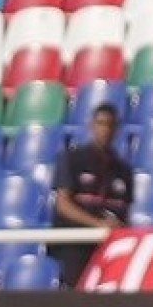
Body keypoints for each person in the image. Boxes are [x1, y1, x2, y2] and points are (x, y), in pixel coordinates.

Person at [48, 103, 132, 289]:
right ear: (92, 126)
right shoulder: (72, 159)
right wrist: (100, 225)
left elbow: (126, 211)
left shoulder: (123, 170)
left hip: (108, 247)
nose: (105, 130)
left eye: (110, 125)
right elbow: (63, 205)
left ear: (117, 129)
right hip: (74, 243)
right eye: (101, 124)